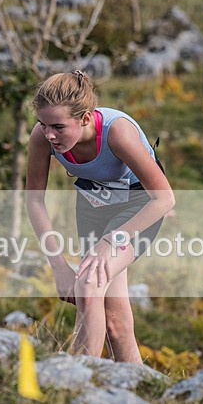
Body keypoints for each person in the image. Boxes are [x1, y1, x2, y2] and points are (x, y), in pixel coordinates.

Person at [26, 71, 175, 363]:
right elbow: (34, 202)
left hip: (139, 206)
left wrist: (113, 239)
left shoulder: (117, 132)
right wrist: (58, 266)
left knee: (89, 284)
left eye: (58, 126)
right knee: (114, 323)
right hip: (94, 206)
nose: (49, 135)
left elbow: (165, 198)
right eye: (43, 125)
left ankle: (77, 382)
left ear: (84, 118)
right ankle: (136, 389)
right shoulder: (41, 137)